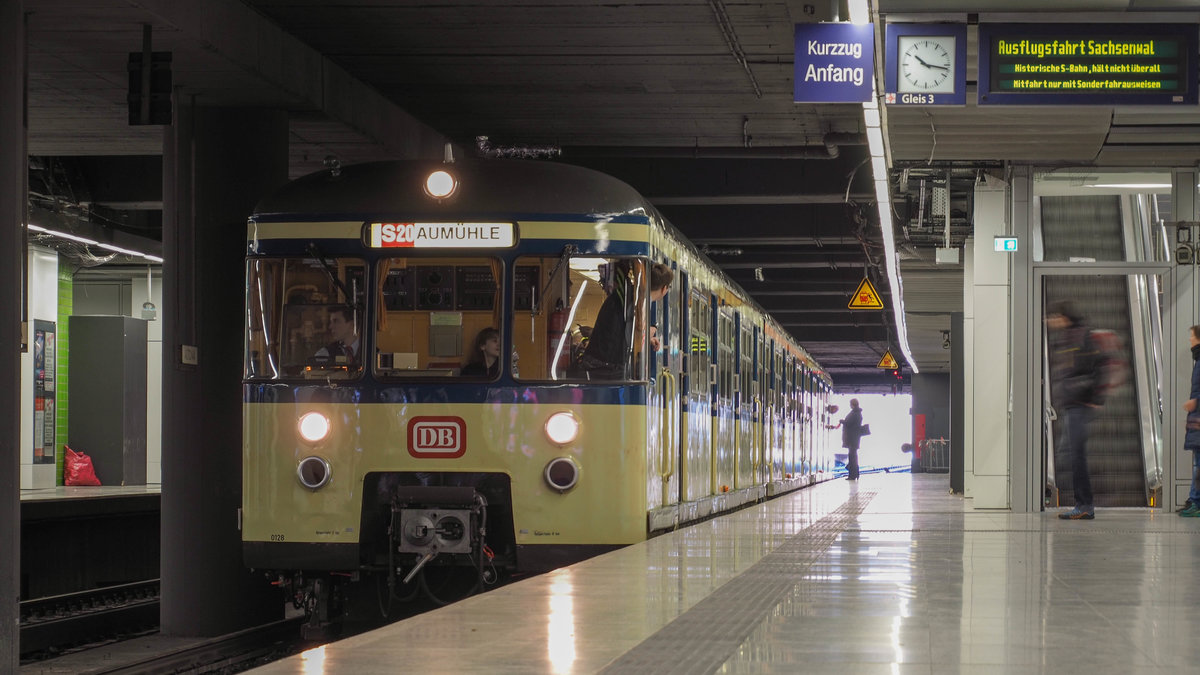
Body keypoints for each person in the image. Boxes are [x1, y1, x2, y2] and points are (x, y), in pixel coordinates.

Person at [1046, 300, 1103, 520]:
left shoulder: (1082, 335)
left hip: (1080, 403)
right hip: (1072, 404)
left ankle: (1085, 504)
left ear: (1064, 317)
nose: (1051, 322)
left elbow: (1099, 364)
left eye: (1054, 317)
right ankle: (1083, 503)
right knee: (1070, 455)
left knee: (1076, 456)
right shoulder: (1068, 336)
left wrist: (1095, 397)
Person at [577, 261, 673, 378]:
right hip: (605, 369)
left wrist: (647, 338)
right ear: (664, 289)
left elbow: (622, 329)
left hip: (598, 364)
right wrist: (646, 333)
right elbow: (628, 338)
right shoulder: (636, 300)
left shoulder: (630, 294)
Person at [1181, 325, 1200, 516]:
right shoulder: (1198, 361)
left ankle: (1196, 502)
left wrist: (1196, 402)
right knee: (1198, 464)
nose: (1190, 339)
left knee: (1199, 465)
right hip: (1196, 421)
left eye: (1192, 336)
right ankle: (1194, 499)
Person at [831, 398, 865, 480]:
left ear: (852, 404)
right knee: (853, 457)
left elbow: (849, 423)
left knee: (852, 457)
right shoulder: (858, 413)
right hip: (855, 438)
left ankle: (852, 475)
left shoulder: (854, 413)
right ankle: (855, 474)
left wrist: (842, 421)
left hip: (852, 438)